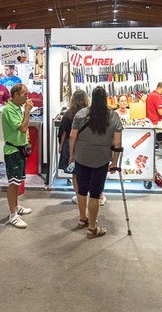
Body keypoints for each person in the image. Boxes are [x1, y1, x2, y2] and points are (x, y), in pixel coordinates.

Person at [68, 86, 122, 238]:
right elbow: (117, 143)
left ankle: (82, 219)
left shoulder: (81, 114)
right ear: (105, 98)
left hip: (82, 157)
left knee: (82, 190)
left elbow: (73, 136)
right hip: (101, 158)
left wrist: (72, 154)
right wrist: (114, 162)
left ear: (91, 98)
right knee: (95, 194)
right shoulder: (113, 116)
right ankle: (92, 228)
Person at [1, 83, 33, 228]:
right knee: (13, 184)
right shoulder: (9, 109)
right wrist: (27, 112)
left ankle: (16, 206)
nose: (27, 97)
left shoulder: (18, 108)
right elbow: (22, 127)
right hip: (12, 151)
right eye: (24, 94)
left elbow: (25, 130)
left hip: (20, 149)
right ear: (15, 95)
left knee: (18, 181)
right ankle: (12, 214)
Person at [58, 90, 90, 202]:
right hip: (85, 145)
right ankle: (86, 195)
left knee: (75, 173)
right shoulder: (89, 113)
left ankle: (79, 197)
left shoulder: (68, 113)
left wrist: (60, 146)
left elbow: (63, 132)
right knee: (86, 171)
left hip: (70, 145)